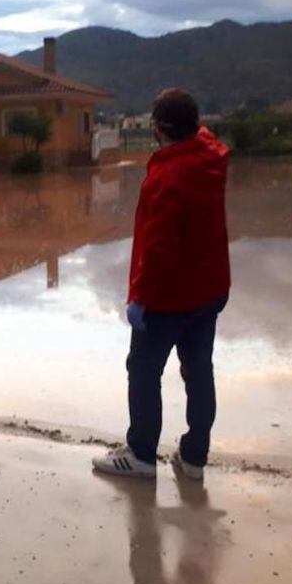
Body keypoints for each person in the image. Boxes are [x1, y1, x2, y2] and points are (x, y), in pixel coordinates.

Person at [93, 88, 230, 480]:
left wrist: (139, 299)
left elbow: (157, 250)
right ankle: (193, 459)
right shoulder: (211, 158)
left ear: (158, 128)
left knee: (143, 368)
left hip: (170, 299)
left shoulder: (167, 176)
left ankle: (140, 454)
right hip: (210, 290)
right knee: (199, 370)